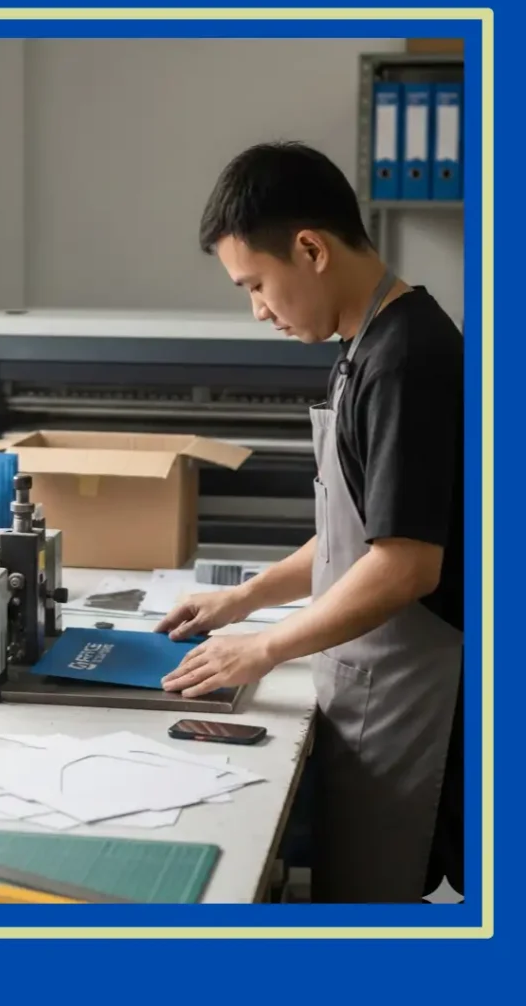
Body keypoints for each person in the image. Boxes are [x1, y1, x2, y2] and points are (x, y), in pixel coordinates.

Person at [157, 141, 463, 904]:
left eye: (257, 285)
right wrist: (245, 598)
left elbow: (405, 564)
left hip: (414, 693)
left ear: (311, 250)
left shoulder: (407, 359)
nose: (258, 310)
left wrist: (263, 648)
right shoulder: (363, 347)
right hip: (371, 681)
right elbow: (356, 530)